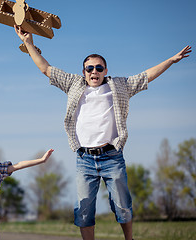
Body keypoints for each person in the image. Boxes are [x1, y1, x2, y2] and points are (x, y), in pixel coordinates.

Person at [14, 25, 191, 240]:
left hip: (112, 157)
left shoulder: (119, 85)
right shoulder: (73, 84)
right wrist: (28, 43)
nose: (94, 72)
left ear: (106, 71)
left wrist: (170, 61)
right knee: (84, 210)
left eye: (99, 68)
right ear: (84, 72)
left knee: (122, 206)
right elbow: (46, 68)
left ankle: (129, 239)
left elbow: (146, 76)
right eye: (89, 68)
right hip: (84, 158)